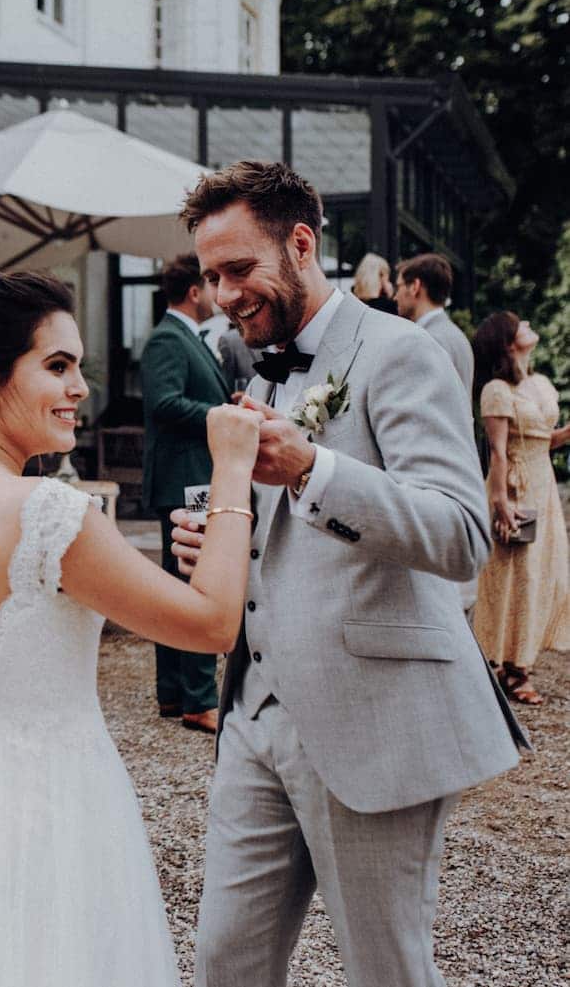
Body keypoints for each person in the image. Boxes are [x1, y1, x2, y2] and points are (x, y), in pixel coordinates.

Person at [0, 270, 262, 986]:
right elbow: (214, 623)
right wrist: (232, 465)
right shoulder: (47, 513)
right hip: (57, 808)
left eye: (80, 368)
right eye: (57, 366)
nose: (81, 389)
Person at [171, 161, 525, 987]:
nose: (223, 294)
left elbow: (462, 533)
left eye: (238, 270)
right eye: (211, 276)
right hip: (255, 714)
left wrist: (311, 469)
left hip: (372, 716)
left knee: (384, 969)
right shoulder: (251, 357)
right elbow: (280, 531)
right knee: (225, 961)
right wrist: (222, 534)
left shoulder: (401, 354)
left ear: (301, 243)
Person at [141, 254, 228, 732]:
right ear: (194, 292)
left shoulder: (186, 338)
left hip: (191, 476)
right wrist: (222, 417)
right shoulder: (167, 339)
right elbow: (164, 403)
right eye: (212, 283)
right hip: (184, 481)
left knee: (179, 585)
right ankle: (197, 698)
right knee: (195, 585)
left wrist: (223, 403)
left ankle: (174, 695)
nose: (221, 292)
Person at [471, 311, 570, 705]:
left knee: (544, 575)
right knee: (514, 577)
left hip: (542, 486)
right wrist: (500, 502)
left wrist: (564, 435)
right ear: (509, 343)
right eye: (520, 325)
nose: (529, 325)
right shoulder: (496, 389)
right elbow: (497, 451)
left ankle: (519, 661)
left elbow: (541, 441)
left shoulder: (538, 384)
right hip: (514, 488)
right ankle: (506, 666)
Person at [396, 252, 473, 392]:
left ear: (415, 286)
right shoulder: (456, 335)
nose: (395, 297)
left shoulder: (428, 339)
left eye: (399, 287)